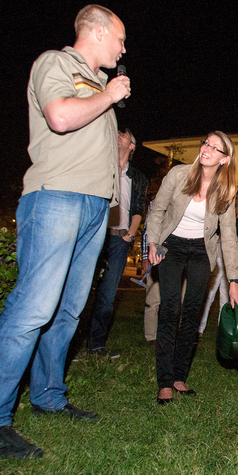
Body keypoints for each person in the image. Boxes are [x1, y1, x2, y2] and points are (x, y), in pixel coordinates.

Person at [0, 4, 131, 459]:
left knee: (67, 312)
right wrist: (109, 95)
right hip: (56, 198)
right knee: (33, 309)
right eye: (119, 38)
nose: (123, 47)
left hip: (95, 207)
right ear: (96, 33)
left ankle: (48, 397)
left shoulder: (100, 85)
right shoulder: (56, 63)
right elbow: (59, 117)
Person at [146, 131, 238, 405]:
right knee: (169, 310)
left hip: (202, 251)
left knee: (191, 314)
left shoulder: (226, 191)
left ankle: (179, 377)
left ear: (225, 159)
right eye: (206, 143)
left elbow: (229, 237)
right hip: (171, 246)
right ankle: (164, 381)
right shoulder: (178, 175)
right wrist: (152, 241)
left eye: (215, 147)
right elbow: (157, 211)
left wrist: (233, 280)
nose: (207, 149)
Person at [87, 127, 148, 357]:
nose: (119, 134)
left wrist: (130, 235)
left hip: (119, 240)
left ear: (132, 146)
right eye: (118, 132)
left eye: (125, 134)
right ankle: (68, 344)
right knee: (81, 290)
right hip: (94, 237)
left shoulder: (138, 178)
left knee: (107, 293)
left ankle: (96, 345)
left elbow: (138, 209)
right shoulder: (101, 166)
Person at [196, 196, 238, 338]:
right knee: (209, 295)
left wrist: (234, 266)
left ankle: (222, 330)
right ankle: (199, 329)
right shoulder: (217, 220)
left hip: (230, 264)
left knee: (226, 298)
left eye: (235, 206)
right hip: (217, 260)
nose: (232, 208)